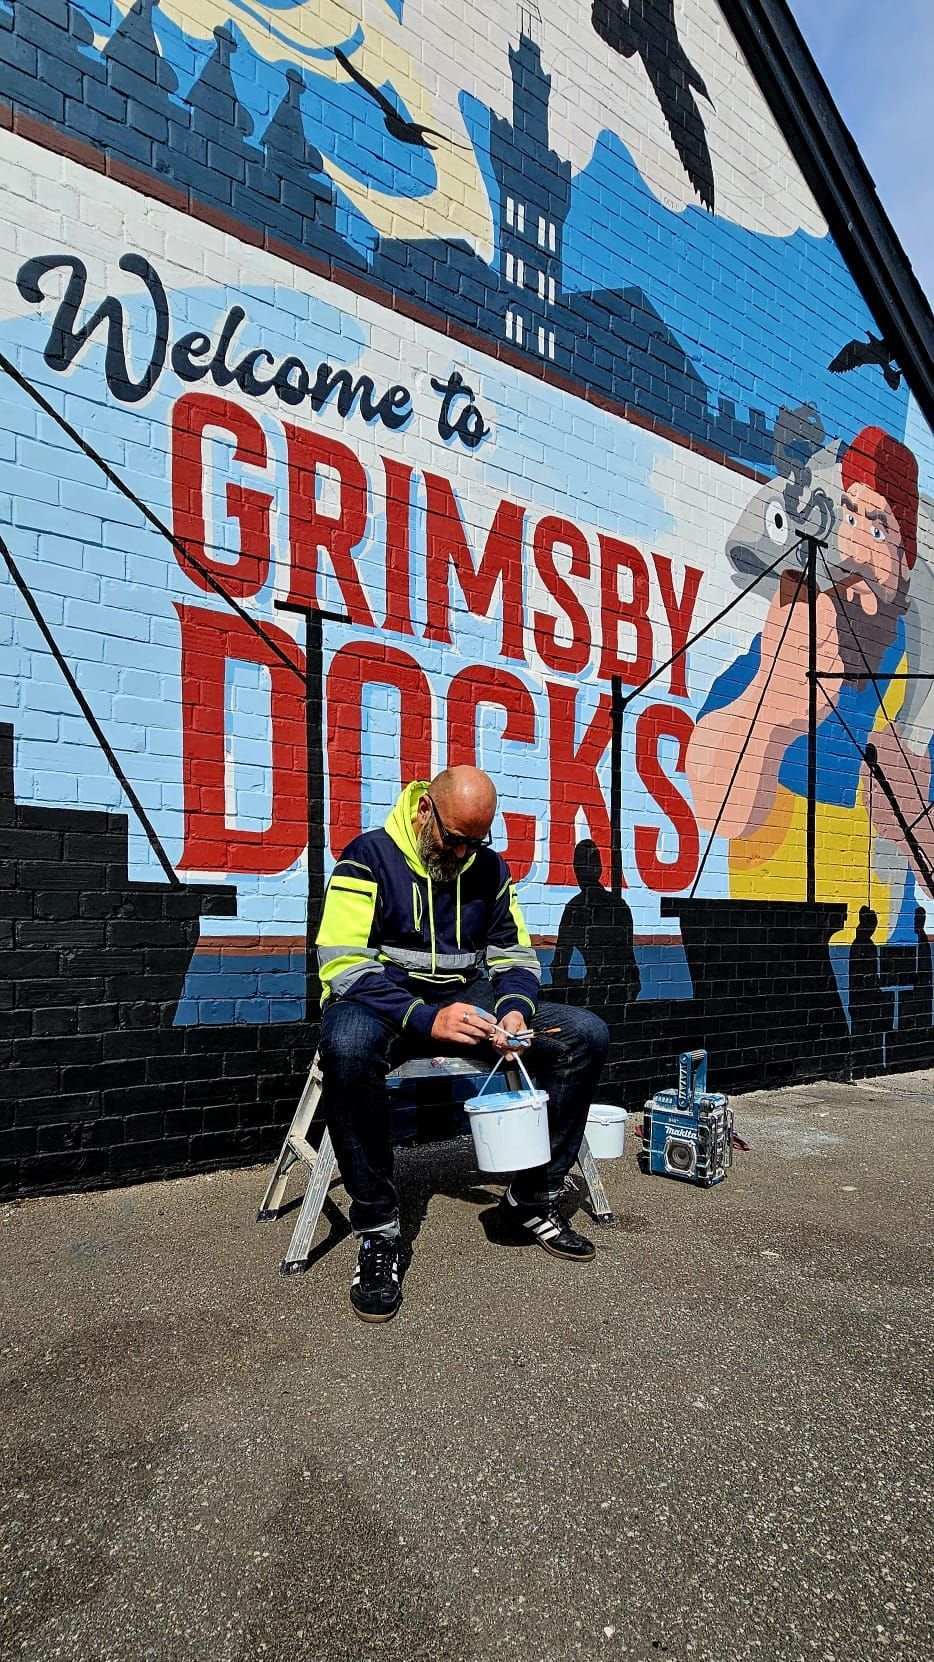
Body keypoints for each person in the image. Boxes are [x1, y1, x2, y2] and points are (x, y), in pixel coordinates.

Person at [315, 766, 610, 1322]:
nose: (463, 852)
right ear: (426, 808)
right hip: (381, 1003)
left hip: (464, 1002)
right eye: (455, 838)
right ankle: (378, 1228)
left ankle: (528, 1200)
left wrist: (516, 1010)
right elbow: (342, 962)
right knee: (347, 1049)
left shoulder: (488, 867)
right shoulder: (367, 856)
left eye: (478, 841)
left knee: (584, 1036)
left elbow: (512, 955)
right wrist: (425, 1019)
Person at [686, 425, 929, 940]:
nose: (859, 543)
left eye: (880, 527)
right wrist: (774, 704)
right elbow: (716, 807)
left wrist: (915, 822)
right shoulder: (786, 640)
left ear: (906, 566)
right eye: (851, 517)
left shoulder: (921, 690)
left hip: (884, 957)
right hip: (763, 948)